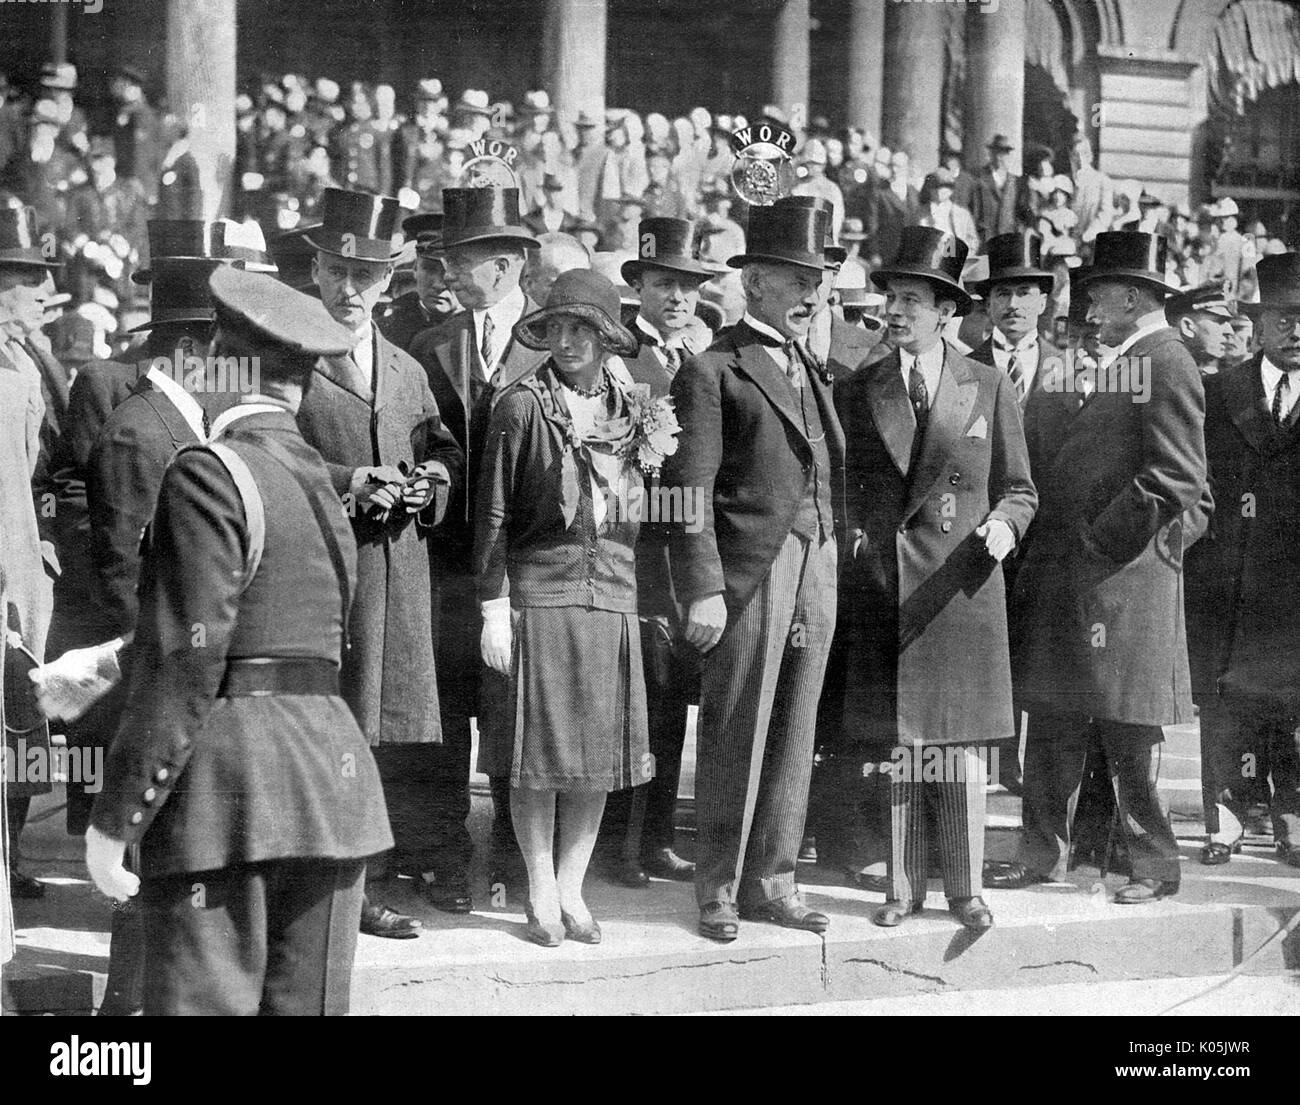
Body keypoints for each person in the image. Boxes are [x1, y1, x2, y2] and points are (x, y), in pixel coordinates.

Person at [83, 265, 392, 1015]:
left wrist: (115, 816)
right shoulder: (320, 478)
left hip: (224, 797)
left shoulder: (207, 472)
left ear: (224, 361)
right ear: (303, 382)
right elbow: (292, 633)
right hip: (332, 789)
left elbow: (189, 660)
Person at [991, 231, 1208, 904]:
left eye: (1100, 290)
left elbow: (1177, 476)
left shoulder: (1166, 359)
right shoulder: (1130, 356)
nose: (1087, 302)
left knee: (1129, 732)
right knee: (1054, 720)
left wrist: (1098, 539)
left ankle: (1152, 864)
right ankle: (1041, 853)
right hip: (1077, 579)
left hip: (1120, 581)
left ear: (1134, 296)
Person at [835, 227, 1036, 930]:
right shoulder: (861, 388)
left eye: (912, 300)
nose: (895, 310)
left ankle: (965, 887)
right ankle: (903, 885)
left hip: (965, 584)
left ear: (945, 310)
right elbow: (850, 490)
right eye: (892, 297)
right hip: (891, 587)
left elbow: (1020, 486)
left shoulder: (987, 382)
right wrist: (861, 544)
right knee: (903, 742)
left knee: (961, 742)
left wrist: (1005, 526)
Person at [663, 202, 843, 942]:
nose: (811, 294)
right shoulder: (713, 369)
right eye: (797, 279)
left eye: (819, 281)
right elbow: (684, 491)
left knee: (796, 727)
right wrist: (701, 583)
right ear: (756, 281)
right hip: (748, 572)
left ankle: (775, 879)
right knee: (738, 726)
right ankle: (720, 887)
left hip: (816, 562)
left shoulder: (810, 364)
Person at [295, 187, 464, 937]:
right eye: (337, 269)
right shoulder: (288, 356)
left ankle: (359, 878)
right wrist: (347, 481)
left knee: (381, 733)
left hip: (397, 574)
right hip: (320, 575)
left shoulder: (404, 366)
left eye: (366, 274)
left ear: (389, 278)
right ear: (318, 270)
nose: (350, 288)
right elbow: (262, 449)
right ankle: (328, 889)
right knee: (325, 728)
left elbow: (441, 445)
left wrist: (434, 482)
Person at [474, 268, 654, 946]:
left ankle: (574, 886)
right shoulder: (521, 406)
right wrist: (493, 605)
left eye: (586, 328)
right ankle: (540, 885)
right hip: (540, 592)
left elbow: (647, 512)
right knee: (539, 754)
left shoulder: (636, 406)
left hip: (611, 593)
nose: (571, 340)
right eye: (560, 326)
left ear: (609, 336)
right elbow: (490, 514)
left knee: (596, 755)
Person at [412, 186, 546, 903]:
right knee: (443, 716)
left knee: (515, 715)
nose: (449, 275)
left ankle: (517, 858)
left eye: (459, 261)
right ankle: (442, 856)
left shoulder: (553, 341)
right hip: (445, 564)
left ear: (503, 264)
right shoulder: (431, 346)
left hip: (525, 568)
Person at [594, 218, 716, 887]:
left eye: (687, 286)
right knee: (631, 701)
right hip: (632, 551)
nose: (677, 297)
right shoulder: (619, 360)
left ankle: (659, 833)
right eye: (664, 283)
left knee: (669, 702)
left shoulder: (698, 358)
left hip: (682, 557)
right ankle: (619, 843)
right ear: (637, 286)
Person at [1184, 252, 1300, 870]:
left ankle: (1291, 817)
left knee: (1295, 702)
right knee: (1226, 701)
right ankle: (1224, 815)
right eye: (1284, 317)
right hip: (1227, 578)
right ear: (1257, 323)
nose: (1297, 330)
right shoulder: (1218, 392)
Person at [0, 205, 59, 904]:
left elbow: (41, 465)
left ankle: (10, 858)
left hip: (23, 563)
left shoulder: (26, 357)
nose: (41, 290)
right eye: (26, 278)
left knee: (23, 712)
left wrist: (42, 538)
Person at [375, 212, 457, 352]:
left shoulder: (479, 334)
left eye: (449, 271)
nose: (438, 284)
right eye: (429, 269)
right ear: (415, 269)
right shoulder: (383, 332)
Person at [1165, 281, 1234, 375]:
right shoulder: (1164, 375)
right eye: (1220, 321)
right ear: (1187, 326)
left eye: (1228, 323)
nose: (1230, 331)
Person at [971, 134, 1027, 246]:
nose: (999, 157)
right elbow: (974, 211)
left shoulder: (1015, 181)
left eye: (1003, 153)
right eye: (995, 152)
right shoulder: (979, 179)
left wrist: (1018, 231)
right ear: (990, 154)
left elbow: (1021, 211)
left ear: (1009, 155)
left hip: (1009, 240)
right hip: (985, 240)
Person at [918, 167, 978, 252]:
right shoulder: (920, 214)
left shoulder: (962, 214)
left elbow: (973, 242)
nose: (939, 190)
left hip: (956, 260)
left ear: (951, 190)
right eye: (935, 186)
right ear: (929, 189)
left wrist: (961, 251)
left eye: (945, 186)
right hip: (929, 260)